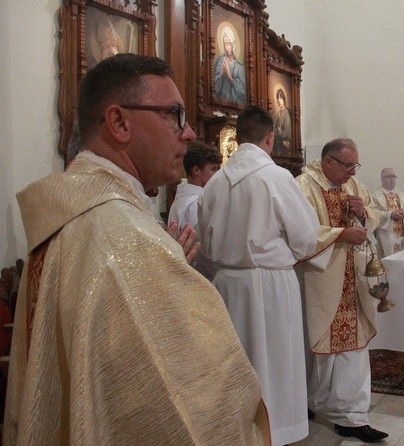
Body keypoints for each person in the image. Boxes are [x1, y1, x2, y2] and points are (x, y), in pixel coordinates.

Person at [3, 54, 269, 445]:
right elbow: (193, 409)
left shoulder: (73, 215)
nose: (190, 132)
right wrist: (158, 263)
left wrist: (164, 261)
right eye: (174, 114)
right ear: (119, 123)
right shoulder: (124, 235)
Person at [199, 105, 319, 446]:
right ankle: (276, 432)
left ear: (237, 140)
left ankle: (239, 433)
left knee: (237, 363)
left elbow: (205, 241)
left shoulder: (215, 182)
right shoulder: (277, 178)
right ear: (270, 138)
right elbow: (307, 236)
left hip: (226, 283)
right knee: (276, 362)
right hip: (270, 283)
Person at [295, 138, 389, 443]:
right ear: (328, 161)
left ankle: (351, 415)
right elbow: (299, 232)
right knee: (320, 346)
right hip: (321, 278)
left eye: (355, 165)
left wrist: (363, 213)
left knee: (355, 347)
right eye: (347, 165)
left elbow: (374, 216)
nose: (352, 172)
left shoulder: (354, 185)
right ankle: (312, 401)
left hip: (354, 279)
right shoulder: (302, 186)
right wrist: (339, 234)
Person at [168, 141, 222, 233]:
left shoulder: (182, 198)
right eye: (213, 169)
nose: (217, 175)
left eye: (218, 169)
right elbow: (199, 242)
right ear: (196, 170)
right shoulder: (195, 204)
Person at [372, 167, 404, 256]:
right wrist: (390, 215)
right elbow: (373, 214)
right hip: (386, 235)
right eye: (388, 176)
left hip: (403, 233)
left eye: (393, 176)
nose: (392, 179)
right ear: (382, 179)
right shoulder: (376, 196)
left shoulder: (403, 195)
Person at [213, 26, 247, 104]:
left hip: (235, 104)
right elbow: (215, 89)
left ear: (233, 44)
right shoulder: (221, 61)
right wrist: (221, 74)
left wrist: (230, 77)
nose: (226, 47)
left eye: (228, 44)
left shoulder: (239, 65)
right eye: (225, 44)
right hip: (221, 102)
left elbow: (242, 92)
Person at [273, 88, 292, 153]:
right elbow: (275, 127)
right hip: (278, 138)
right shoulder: (279, 113)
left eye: (280, 98)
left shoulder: (286, 113)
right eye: (277, 98)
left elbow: (287, 129)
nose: (279, 100)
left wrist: (281, 133)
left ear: (284, 99)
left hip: (285, 140)